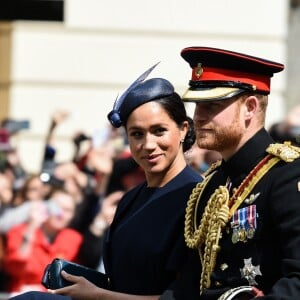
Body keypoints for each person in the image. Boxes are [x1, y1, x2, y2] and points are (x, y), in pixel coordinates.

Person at [9, 64, 202, 300]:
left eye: (159, 131)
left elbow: (186, 297)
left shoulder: (197, 198)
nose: (148, 144)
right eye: (137, 134)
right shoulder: (130, 199)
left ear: (183, 130)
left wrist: (99, 296)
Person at [159, 46, 300, 300]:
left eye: (212, 105)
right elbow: (188, 289)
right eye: (197, 106)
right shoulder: (211, 185)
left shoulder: (288, 176)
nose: (198, 117)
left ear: (250, 107)